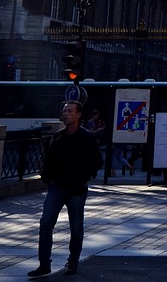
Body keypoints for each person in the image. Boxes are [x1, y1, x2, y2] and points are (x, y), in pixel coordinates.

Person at [28, 100, 102, 278]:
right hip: (57, 187)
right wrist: (48, 179)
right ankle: (44, 264)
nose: (65, 114)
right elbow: (49, 160)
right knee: (45, 224)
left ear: (78, 115)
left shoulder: (87, 138)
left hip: (76, 189)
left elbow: (97, 162)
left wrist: (85, 176)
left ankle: (73, 262)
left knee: (76, 228)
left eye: (69, 111)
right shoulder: (59, 136)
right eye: (64, 111)